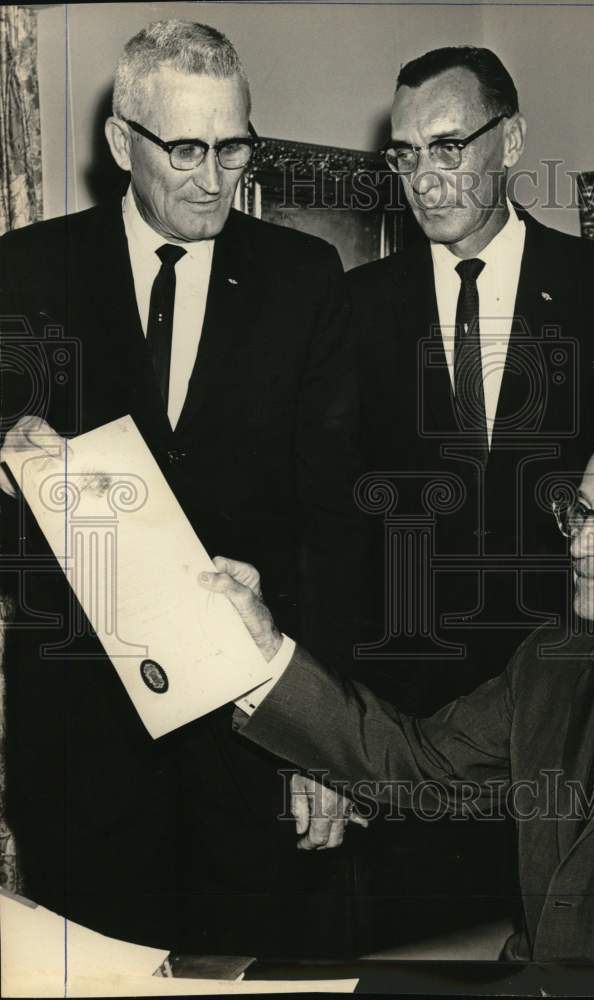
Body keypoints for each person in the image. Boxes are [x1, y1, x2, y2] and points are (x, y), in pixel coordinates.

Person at [0, 19, 360, 955]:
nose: (214, 178)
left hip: (254, 737)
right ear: (122, 142)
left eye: (233, 146)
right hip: (80, 743)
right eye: (186, 149)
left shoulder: (304, 278)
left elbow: (333, 526)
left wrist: (325, 741)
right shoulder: (23, 274)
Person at [202, 408, 594, 974]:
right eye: (580, 513)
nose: (581, 543)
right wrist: (264, 648)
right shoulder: (551, 663)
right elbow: (418, 766)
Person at [350, 46, 594, 711]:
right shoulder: (357, 304)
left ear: (512, 140)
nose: (424, 181)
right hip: (404, 676)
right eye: (405, 155)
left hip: (567, 665)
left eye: (448, 148)